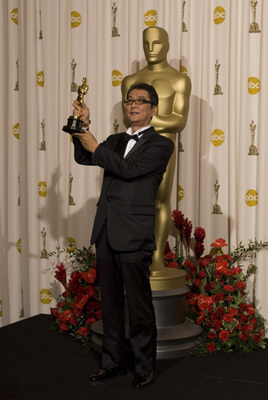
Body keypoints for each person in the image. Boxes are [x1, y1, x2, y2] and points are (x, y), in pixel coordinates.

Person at [70, 83, 174, 388]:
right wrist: (82, 125)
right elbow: (85, 158)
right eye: (129, 100)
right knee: (111, 304)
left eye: (141, 101)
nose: (133, 104)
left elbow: (128, 169)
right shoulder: (115, 140)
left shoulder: (161, 145)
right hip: (105, 230)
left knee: (139, 306)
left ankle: (144, 368)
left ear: (153, 109)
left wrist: (94, 144)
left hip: (133, 233)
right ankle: (112, 363)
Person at [121, 27, 191, 276]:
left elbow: (179, 121)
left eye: (157, 44)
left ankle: (157, 257)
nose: (151, 50)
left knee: (160, 199)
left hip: (163, 147)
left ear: (167, 45)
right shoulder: (130, 80)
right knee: (135, 201)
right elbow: (128, 118)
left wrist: (146, 119)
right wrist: (156, 117)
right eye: (147, 44)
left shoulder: (179, 80)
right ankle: (138, 254)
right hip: (136, 146)